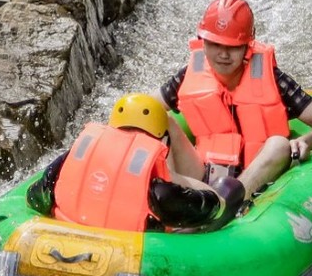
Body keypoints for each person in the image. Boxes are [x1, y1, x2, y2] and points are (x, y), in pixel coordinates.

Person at [163, 0, 312, 208]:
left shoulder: (274, 80)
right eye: (216, 44)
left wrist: (307, 141)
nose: (223, 54)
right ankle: (168, 200)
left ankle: (225, 206)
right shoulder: (188, 75)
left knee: (278, 144)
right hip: (202, 178)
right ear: (203, 42)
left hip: (253, 182)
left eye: (233, 47)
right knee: (158, 119)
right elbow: (146, 108)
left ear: (247, 46)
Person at [25, 92, 243, 232]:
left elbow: (35, 198)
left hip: (64, 240)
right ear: (161, 142)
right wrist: (217, 195)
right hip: (126, 259)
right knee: (231, 191)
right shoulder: (158, 191)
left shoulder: (70, 160)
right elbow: (211, 208)